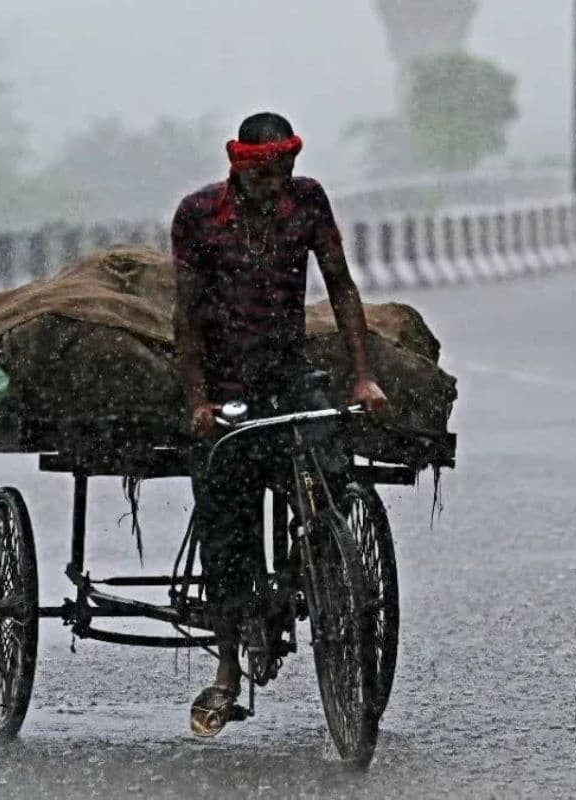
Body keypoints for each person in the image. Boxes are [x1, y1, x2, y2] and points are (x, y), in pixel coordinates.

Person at [170, 112, 388, 737]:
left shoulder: (308, 202)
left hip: (288, 377)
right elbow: (185, 317)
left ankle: (320, 563)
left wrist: (363, 374)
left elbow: (341, 286)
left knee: (332, 475)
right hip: (224, 386)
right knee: (226, 516)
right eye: (267, 171)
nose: (278, 182)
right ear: (239, 164)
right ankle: (228, 669)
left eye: (286, 168)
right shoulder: (198, 216)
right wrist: (198, 400)